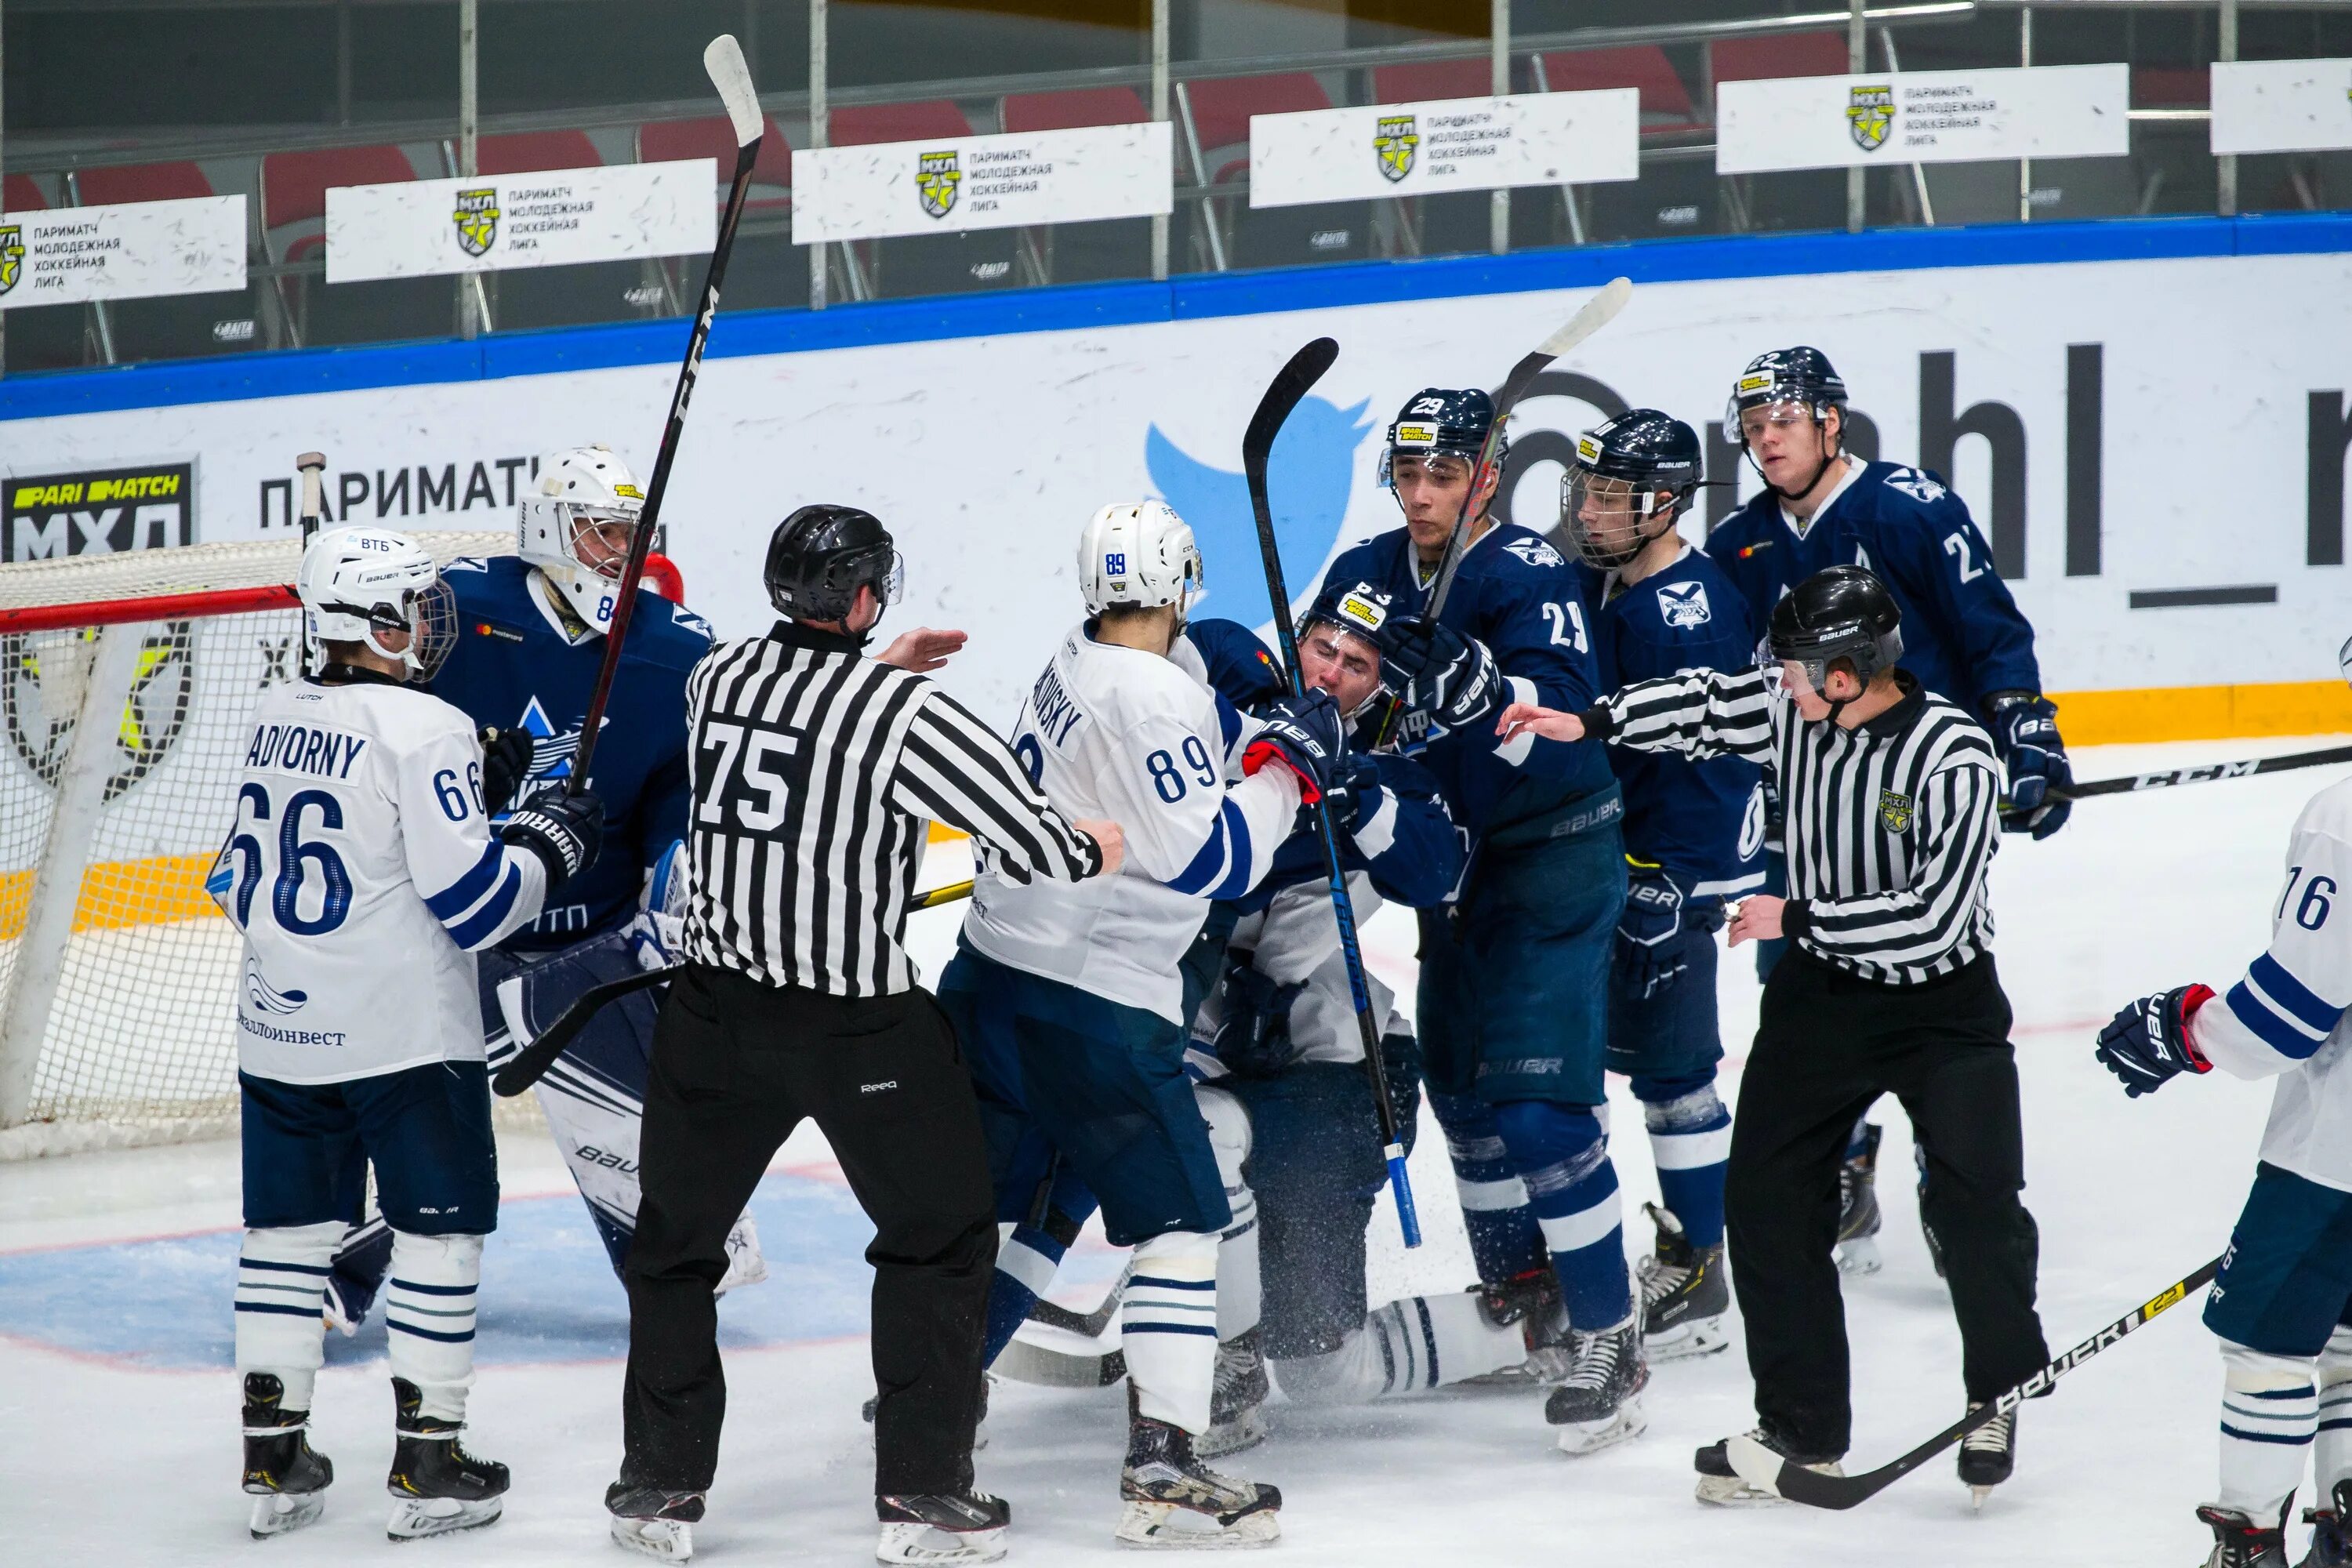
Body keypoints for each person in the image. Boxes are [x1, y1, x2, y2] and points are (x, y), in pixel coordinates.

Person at [605, 505, 1122, 1566]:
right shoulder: (904, 715)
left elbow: (806, 726)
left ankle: (657, 1491)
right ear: (865, 596)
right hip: (860, 1031)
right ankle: (924, 1497)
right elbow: (1035, 844)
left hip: (711, 1019)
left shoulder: (718, 677)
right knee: (938, 1241)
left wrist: (872, 665)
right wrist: (1096, 843)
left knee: (671, 1253)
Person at [1495, 564, 2049, 1509]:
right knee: (1766, 1201)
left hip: (1942, 1007)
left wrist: (1798, 917)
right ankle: (1801, 1426)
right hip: (1824, 998)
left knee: (1975, 1206)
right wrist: (1585, 719)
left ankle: (1996, 1389)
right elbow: (1707, 706)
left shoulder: (1955, 755)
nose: (1776, 684)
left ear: (1846, 671)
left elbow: (1932, 920)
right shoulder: (1794, 710)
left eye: (1793, 669)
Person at [937, 500, 1338, 1548]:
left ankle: (928, 1410)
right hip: (1094, 1002)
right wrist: (1293, 771)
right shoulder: (1154, 693)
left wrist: (1256, 739)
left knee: (1005, 1206)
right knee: (1182, 1221)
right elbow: (1216, 864)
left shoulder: (1073, 659)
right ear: (1179, 587)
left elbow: (1179, 740)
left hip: (992, 980)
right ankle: (1163, 1458)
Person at [219, 524, 604, 1541]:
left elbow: (233, 884)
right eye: (415, 609)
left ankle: (274, 1455)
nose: (430, 626)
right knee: (439, 1229)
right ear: (380, 624)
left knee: (288, 1237)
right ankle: (431, 1460)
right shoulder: (425, 728)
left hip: (277, 1036)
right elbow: (477, 909)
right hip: (404, 1041)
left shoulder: (269, 711)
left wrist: (476, 771)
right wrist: (547, 847)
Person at [319, 444, 754, 1326]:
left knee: (680, 1228)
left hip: (589, 944)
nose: (618, 556)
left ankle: (664, 1267)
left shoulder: (675, 648)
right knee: (418, 1118)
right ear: (549, 531)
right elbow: (359, 707)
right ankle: (333, 1270)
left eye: (630, 537)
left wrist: (674, 855)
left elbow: (682, 777)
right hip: (454, 926)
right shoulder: (456, 608)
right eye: (600, 534)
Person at [1315, 387, 1639, 1456]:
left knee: (1539, 1109)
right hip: (1447, 863)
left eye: (1442, 476)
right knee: (1461, 1094)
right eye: (1407, 476)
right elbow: (1320, 683)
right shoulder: (1366, 571)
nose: (1420, 495)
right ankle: (1526, 1290)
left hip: (1551, 855)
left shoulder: (1530, 577)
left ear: (1485, 480)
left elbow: (1551, 726)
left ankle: (1609, 1328)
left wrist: (1467, 684)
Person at [1708, 347, 2071, 1276]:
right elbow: (1734, 685)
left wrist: (2027, 737)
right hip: (1811, 804)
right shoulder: (1743, 540)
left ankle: (1947, 1173)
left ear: (1831, 420)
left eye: (1782, 420)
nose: (1767, 439)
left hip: (1913, 792)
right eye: (1753, 428)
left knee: (1926, 974)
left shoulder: (1909, 504)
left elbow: (1987, 625)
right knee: (1804, 974)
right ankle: (1844, 1161)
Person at [1181, 586, 1556, 1450]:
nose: (1333, 672)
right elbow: (1183, 648)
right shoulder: (1228, 719)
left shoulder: (1386, 780)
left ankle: (1533, 1317)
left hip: (1338, 1077)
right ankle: (1225, 1345)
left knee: (1319, 1370)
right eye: (1322, 649)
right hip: (1216, 1048)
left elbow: (1436, 872)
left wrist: (1350, 784)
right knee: (1180, 1130)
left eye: (1358, 665)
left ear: (1382, 689)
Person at [2092, 659, 2352, 1567]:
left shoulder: (2343, 816)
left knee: (2269, 1338)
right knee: (2348, 1329)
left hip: (2336, 1157)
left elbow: (2288, 1015)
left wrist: (2183, 1031)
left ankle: (2247, 1546)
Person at [1560, 411, 1765, 1363]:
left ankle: (1699, 1263)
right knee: (1624, 1062)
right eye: (1590, 489)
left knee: (1675, 1073)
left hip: (1667, 874)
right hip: (1624, 863)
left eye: (1613, 495)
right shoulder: (1619, 586)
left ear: (1668, 502)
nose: (1593, 509)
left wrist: (1679, 882)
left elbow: (1719, 759)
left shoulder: (1684, 610)